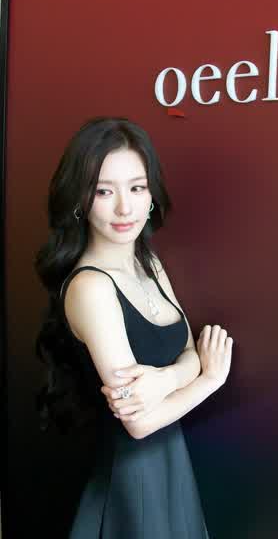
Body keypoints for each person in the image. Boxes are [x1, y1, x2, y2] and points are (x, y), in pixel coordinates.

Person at [34, 116, 233, 538]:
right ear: (79, 199)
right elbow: (139, 422)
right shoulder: (91, 287)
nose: (125, 208)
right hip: (128, 478)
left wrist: (166, 379)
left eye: (137, 188)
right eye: (104, 191)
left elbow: (189, 350)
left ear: (151, 195)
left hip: (169, 463)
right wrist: (209, 380)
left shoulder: (149, 263)